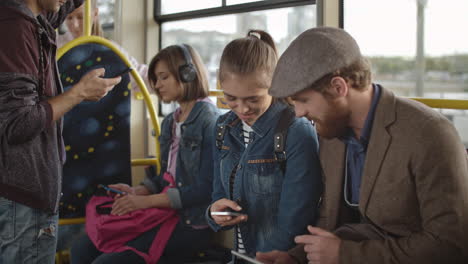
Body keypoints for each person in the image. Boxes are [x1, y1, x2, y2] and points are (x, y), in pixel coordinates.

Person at [256, 27, 468, 264]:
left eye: (304, 100)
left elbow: (450, 245)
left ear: (339, 87)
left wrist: (345, 255)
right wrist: (296, 259)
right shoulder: (331, 134)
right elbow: (330, 222)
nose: (299, 113)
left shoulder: (429, 133)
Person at [70, 43, 220, 263]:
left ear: (188, 75)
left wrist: (146, 202)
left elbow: (206, 189)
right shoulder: (171, 121)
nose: (157, 85)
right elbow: (165, 179)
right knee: (81, 249)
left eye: (163, 77)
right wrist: (138, 191)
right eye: (156, 79)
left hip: (190, 223)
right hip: (163, 212)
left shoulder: (209, 120)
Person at [0, 0, 122, 263]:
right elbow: (18, 123)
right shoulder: (16, 27)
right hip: (22, 194)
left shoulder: (39, 20)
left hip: (28, 190)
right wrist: (79, 93)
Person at [206, 30, 323, 260]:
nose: (242, 109)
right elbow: (216, 197)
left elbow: (296, 219)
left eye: (253, 99)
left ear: (274, 86)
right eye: (230, 98)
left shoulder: (296, 131)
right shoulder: (222, 127)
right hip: (239, 255)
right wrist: (215, 213)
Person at [57, 2, 149, 91]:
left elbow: (138, 75)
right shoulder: (55, 46)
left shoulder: (108, 49)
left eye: (81, 17)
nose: (75, 25)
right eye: (69, 18)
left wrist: (161, 74)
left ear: (95, 14)